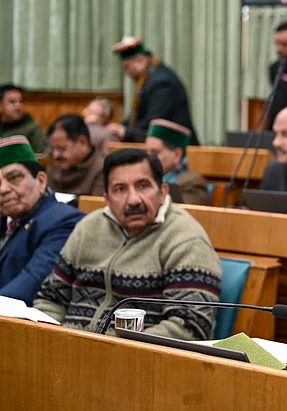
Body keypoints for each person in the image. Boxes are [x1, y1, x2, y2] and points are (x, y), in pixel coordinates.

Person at [34, 148, 222, 340]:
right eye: (120, 189)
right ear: (107, 199)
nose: (133, 200)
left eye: (143, 186)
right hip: (65, 349)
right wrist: (50, 340)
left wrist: (111, 349)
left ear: (162, 192)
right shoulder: (88, 228)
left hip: (137, 355)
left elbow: (190, 327)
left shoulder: (186, 238)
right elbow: (51, 299)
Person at [0, 136, 84, 305]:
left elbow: (31, 284)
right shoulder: (6, 219)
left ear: (41, 181)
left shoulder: (64, 222)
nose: (3, 189)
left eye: (14, 178)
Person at [106, 36, 199, 145]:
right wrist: (120, 127)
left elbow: (154, 122)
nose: (126, 73)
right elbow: (136, 118)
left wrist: (126, 132)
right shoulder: (149, 79)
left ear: (140, 61)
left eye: (127, 67)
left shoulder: (162, 83)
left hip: (176, 149)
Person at [145, 119, 209, 205]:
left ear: (176, 155)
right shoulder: (146, 177)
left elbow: (186, 212)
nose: (149, 158)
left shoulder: (192, 183)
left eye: (155, 152)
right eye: (147, 152)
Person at [46, 114, 105, 196]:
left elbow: (95, 203)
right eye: (53, 149)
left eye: (61, 148)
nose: (55, 155)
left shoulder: (102, 169)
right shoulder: (53, 166)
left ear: (82, 143)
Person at [0, 84, 48, 153]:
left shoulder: (33, 128)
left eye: (21, 102)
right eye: (12, 102)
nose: (18, 106)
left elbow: (42, 155)